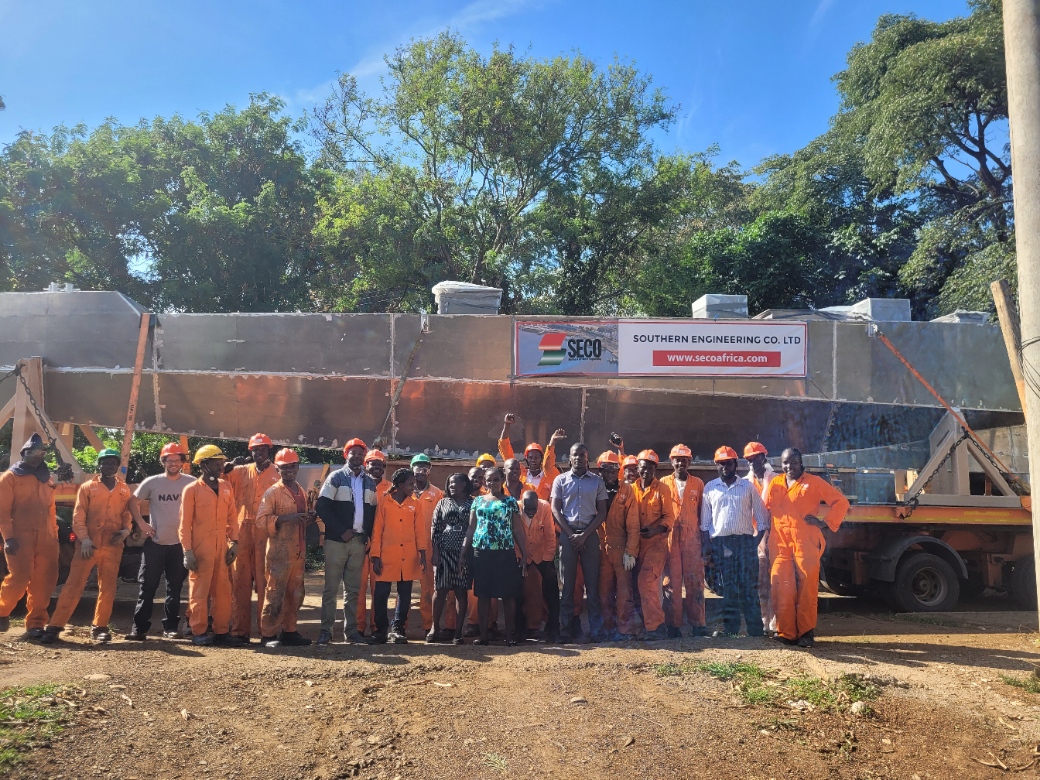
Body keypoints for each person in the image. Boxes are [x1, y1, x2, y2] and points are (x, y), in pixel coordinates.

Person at [40, 449, 132, 644]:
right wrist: (85, 539)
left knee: (108, 588)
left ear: (117, 465)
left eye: (112, 463)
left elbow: (126, 513)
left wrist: (126, 530)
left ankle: (100, 627)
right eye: (105, 462)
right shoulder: (88, 488)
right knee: (74, 585)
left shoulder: (123, 490)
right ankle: (55, 626)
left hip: (113, 545)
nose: (109, 466)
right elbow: (79, 515)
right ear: (99, 465)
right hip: (88, 545)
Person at [765, 448, 849, 648]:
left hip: (805, 541)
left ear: (801, 463)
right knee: (781, 586)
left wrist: (824, 522)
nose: (789, 466)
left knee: (807, 588)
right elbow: (767, 509)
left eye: (793, 462)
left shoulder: (813, 482)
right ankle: (786, 633)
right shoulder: (775, 483)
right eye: (785, 463)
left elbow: (841, 502)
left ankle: (805, 633)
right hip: (780, 542)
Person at [127, 441, 194, 640]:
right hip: (155, 544)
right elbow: (132, 502)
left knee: (175, 589)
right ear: (163, 462)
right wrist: (142, 524)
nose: (173, 463)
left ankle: (171, 628)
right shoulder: (152, 482)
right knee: (147, 587)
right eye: (169, 460)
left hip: (179, 545)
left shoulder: (191, 483)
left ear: (182, 462)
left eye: (177, 460)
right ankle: (139, 629)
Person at [700, 446, 770, 638]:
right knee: (728, 589)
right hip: (722, 545)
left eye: (728, 463)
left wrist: (754, 542)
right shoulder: (710, 488)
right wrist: (708, 547)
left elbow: (763, 518)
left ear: (735, 464)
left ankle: (755, 631)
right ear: (716, 465)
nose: (725, 467)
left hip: (745, 543)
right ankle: (731, 630)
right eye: (721, 463)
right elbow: (705, 524)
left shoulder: (747, 487)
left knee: (749, 588)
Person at [315, 438, 379, 645]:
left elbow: (372, 512)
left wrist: (367, 535)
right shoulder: (335, 478)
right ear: (346, 455)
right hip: (337, 541)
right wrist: (340, 531)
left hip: (358, 542)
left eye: (361, 454)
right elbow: (321, 507)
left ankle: (351, 632)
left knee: (353, 590)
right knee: (331, 589)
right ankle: (326, 632)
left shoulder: (370, 482)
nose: (357, 456)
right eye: (353, 453)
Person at [179, 445, 240, 646]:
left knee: (223, 591)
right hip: (200, 548)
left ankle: (222, 631)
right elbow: (184, 524)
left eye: (221, 463)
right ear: (204, 465)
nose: (221, 467)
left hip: (222, 547)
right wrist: (187, 551)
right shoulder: (192, 490)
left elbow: (232, 518)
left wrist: (234, 542)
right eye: (216, 463)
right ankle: (198, 631)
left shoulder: (226, 487)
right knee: (199, 591)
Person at [256, 448, 316, 648]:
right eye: (284, 467)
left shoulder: (300, 490)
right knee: (275, 594)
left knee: (296, 594)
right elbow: (261, 521)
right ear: (278, 469)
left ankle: (289, 632)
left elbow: (300, 521)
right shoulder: (273, 492)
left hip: (298, 551)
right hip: (279, 553)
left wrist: (309, 518)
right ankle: (268, 635)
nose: (289, 470)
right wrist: (286, 518)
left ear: (297, 467)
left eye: (292, 466)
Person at [0, 433, 58, 638]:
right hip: (20, 537)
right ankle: (2, 611)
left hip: (47, 538)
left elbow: (51, 509)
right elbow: (2, 512)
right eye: (32, 452)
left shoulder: (47, 478)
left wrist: (54, 537)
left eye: (41, 452)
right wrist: (8, 538)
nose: (37, 455)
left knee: (44, 582)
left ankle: (36, 624)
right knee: (19, 577)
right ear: (24, 453)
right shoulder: (10, 478)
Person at [225, 432, 280, 644]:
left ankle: (267, 632)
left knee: (266, 581)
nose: (259, 453)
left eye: (263, 449)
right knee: (240, 581)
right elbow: (217, 481)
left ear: (269, 451)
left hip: (266, 530)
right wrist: (229, 465)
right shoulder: (239, 471)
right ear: (251, 452)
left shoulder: (278, 473)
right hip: (242, 530)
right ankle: (240, 632)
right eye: (255, 450)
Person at [550, 443, 608, 643]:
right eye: (575, 455)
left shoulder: (597, 482)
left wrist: (584, 535)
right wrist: (571, 535)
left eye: (582, 455)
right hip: (568, 536)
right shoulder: (560, 480)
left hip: (590, 536)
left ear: (587, 458)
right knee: (567, 586)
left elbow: (602, 512)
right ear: (570, 458)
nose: (579, 458)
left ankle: (596, 631)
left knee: (592, 586)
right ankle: (566, 630)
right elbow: (555, 510)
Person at [462, 466, 526, 646]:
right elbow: (471, 528)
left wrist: (524, 552)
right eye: (488, 480)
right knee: (483, 595)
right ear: (484, 482)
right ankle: (484, 636)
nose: (492, 483)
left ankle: (509, 636)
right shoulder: (477, 501)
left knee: (508, 595)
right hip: (481, 553)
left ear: (502, 480)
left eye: (496, 479)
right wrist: (463, 552)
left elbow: (517, 529)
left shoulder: (510, 502)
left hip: (504, 553)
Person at [370, 468, 426, 644]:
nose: (413, 487)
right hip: (386, 556)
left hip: (408, 556)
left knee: (405, 593)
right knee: (381, 593)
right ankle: (380, 630)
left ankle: (398, 629)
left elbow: (420, 530)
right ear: (400, 485)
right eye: (410, 484)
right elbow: (377, 529)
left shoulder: (416, 504)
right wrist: (375, 555)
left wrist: (422, 552)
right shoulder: (384, 502)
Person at [660, 444, 707, 638]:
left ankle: (698, 624)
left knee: (695, 581)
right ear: (671, 461)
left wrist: (704, 541)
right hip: (671, 539)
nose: (681, 463)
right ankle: (673, 625)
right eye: (677, 460)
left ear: (689, 462)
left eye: (684, 460)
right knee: (671, 581)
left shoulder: (698, 484)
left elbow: (703, 514)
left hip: (692, 539)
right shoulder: (663, 483)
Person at [594, 451, 640, 639]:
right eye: (607, 469)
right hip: (599, 548)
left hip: (621, 548)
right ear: (600, 470)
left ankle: (625, 629)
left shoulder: (626, 490)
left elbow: (633, 524)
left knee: (624, 592)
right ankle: (607, 629)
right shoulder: (594, 488)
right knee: (603, 592)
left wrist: (631, 551)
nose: (611, 473)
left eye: (614, 469)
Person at [632, 449, 675, 641]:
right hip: (635, 545)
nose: (646, 472)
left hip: (656, 544)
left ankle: (656, 626)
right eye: (643, 468)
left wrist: (655, 530)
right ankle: (645, 624)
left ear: (655, 469)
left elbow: (669, 517)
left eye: (650, 468)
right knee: (634, 586)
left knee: (646, 581)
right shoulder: (631, 488)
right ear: (638, 468)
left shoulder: (662, 489)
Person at [429, 473, 473, 644]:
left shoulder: (473, 503)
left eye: (455, 483)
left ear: (464, 484)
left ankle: (458, 632)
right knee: (440, 590)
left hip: (465, 553)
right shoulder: (442, 502)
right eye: (449, 483)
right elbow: (435, 527)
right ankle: (435, 628)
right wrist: (435, 551)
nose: (451, 486)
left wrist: (466, 553)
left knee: (461, 592)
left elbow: (473, 527)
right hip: (445, 552)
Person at [516, 490, 559, 641]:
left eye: (533, 509)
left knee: (551, 590)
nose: (530, 512)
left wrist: (548, 560)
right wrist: (520, 558)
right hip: (522, 556)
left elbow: (550, 535)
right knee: (518, 592)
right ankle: (519, 628)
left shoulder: (545, 507)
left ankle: (553, 627)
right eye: (527, 509)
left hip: (542, 555)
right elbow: (514, 535)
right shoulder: (515, 508)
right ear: (522, 504)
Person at [356, 449, 391, 636]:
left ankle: (377, 627)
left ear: (384, 467)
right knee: (359, 587)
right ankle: (358, 627)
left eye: (379, 464)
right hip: (360, 543)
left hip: (383, 546)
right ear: (365, 465)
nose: (376, 467)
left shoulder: (391, 489)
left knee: (379, 589)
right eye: (372, 463)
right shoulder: (357, 484)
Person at [744, 441, 777, 634]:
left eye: (755, 458)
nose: (752, 463)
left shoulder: (777, 480)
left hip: (777, 536)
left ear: (764, 457)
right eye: (749, 460)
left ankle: (778, 622)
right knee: (761, 582)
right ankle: (765, 622)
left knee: (778, 581)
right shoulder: (745, 483)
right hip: (757, 539)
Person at [411, 454, 443, 635]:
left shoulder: (436, 494)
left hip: (429, 546)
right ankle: (399, 625)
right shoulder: (404, 490)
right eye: (418, 467)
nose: (422, 471)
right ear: (412, 468)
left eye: (425, 467)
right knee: (404, 587)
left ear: (429, 471)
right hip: (407, 545)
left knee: (428, 588)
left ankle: (428, 625)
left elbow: (440, 523)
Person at [498, 414, 564, 501]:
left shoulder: (549, 476)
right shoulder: (519, 472)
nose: (533, 460)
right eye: (530, 457)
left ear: (541, 459)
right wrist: (507, 425)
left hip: (543, 509)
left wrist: (552, 442)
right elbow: (506, 451)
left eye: (536, 457)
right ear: (526, 459)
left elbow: (548, 463)